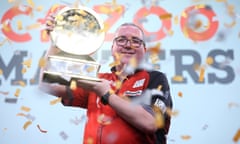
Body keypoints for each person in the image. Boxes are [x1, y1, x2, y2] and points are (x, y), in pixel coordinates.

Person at [39, 14, 173, 144]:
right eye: (121, 40)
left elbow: (150, 123)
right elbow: (47, 84)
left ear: (144, 49)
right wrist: (56, 43)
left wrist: (107, 94)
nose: (128, 45)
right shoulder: (98, 80)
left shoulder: (155, 78)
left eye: (135, 41)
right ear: (112, 48)